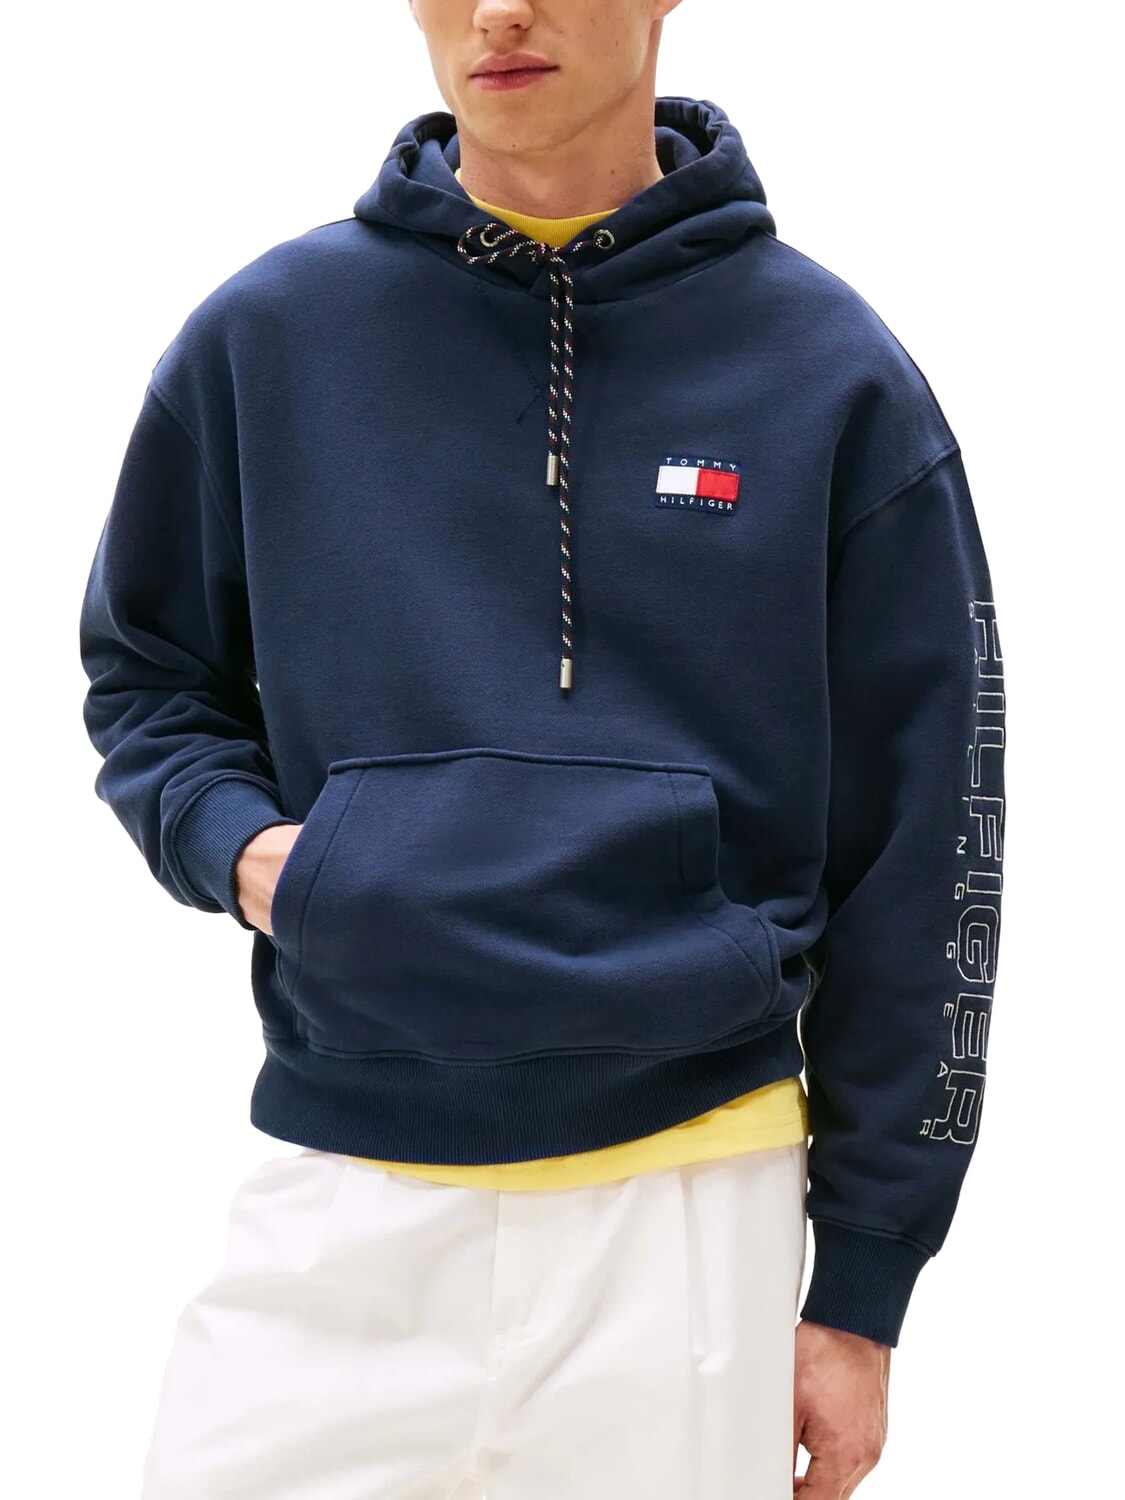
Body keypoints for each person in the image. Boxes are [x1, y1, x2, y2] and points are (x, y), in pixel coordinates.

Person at [79, 2, 1006, 1496]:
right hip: (347, 1186)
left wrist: (862, 1287)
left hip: (687, 1209)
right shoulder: (271, 337)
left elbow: (931, 842)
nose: (498, 10)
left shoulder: (829, 370)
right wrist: (254, 858)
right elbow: (148, 673)